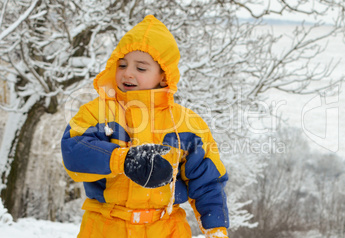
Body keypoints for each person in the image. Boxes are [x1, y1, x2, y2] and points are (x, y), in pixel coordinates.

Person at [61, 15, 229, 238]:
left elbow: (208, 180)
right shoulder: (97, 113)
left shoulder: (184, 124)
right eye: (122, 65)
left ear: (163, 76)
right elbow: (74, 151)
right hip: (105, 227)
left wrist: (216, 229)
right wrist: (123, 160)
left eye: (141, 68)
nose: (128, 73)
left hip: (167, 229)